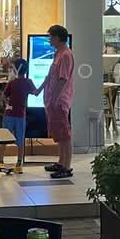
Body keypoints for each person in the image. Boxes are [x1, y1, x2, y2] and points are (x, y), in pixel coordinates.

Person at [41, 25, 75, 179]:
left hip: (59, 101)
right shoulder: (58, 54)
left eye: (51, 36)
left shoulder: (66, 55)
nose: (49, 39)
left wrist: (54, 98)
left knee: (64, 134)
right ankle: (61, 162)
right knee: (58, 133)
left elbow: (63, 79)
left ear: (57, 37)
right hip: (52, 100)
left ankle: (66, 166)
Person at [0, 59, 41, 174]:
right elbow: (36, 93)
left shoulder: (12, 83)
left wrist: (7, 104)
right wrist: (45, 82)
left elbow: (3, 96)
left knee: (4, 138)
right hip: (20, 115)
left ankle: (1, 161)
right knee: (20, 140)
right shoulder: (28, 82)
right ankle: (18, 163)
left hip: (9, 114)